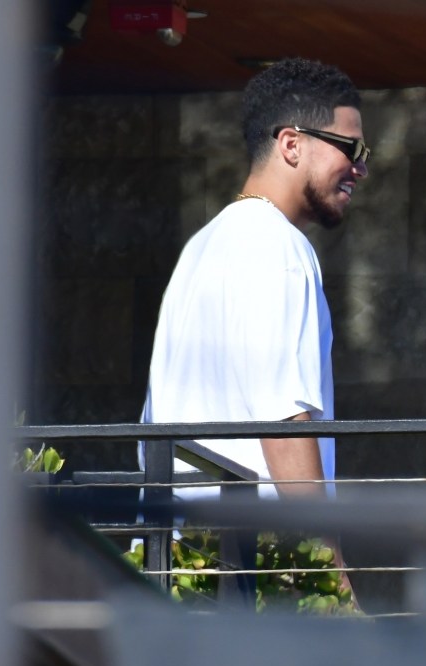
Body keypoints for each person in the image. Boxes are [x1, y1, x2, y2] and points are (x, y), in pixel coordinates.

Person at [140, 57, 369, 603]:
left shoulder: (202, 247)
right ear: (292, 143)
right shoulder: (280, 248)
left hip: (183, 563)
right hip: (262, 573)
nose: (361, 167)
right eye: (351, 149)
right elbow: (286, 417)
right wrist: (327, 572)